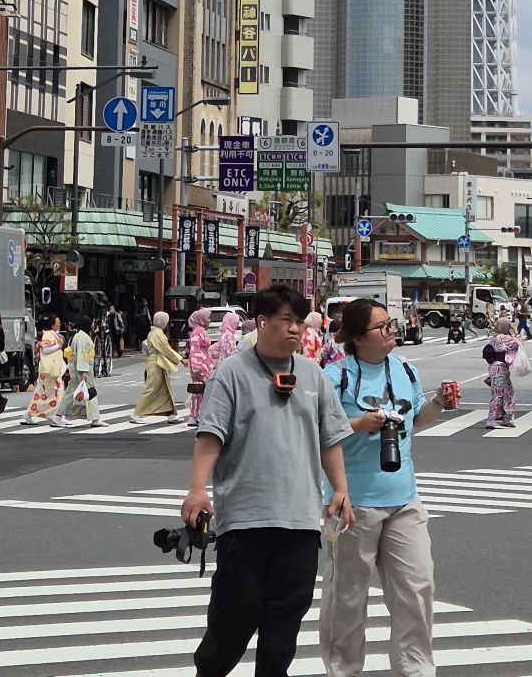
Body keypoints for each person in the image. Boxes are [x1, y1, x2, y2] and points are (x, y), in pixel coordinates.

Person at [180, 285, 354, 677]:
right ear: (261, 322)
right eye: (286, 321)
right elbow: (210, 436)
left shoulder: (313, 374)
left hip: (301, 522)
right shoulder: (232, 373)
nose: (295, 330)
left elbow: (331, 438)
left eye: (299, 322)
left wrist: (340, 489)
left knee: (285, 623)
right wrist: (197, 489)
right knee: (235, 616)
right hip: (245, 519)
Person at [318, 298, 456, 677]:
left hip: (403, 500)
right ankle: (343, 670)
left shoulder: (405, 370)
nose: (392, 330)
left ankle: (415, 671)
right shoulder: (335, 376)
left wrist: (438, 404)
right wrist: (361, 424)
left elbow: (415, 421)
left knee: (417, 589)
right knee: (347, 598)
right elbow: (319, 434)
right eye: (383, 327)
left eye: (391, 323)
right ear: (359, 338)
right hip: (352, 504)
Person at [130, 310, 182, 424]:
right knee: (151, 388)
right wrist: (180, 359)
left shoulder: (154, 332)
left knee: (165, 389)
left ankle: (171, 413)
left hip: (157, 362)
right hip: (156, 363)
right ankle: (136, 413)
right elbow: (165, 349)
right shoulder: (157, 333)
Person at [20, 316, 66, 425]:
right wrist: (58, 345)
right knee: (57, 392)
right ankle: (56, 416)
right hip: (50, 370)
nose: (60, 324)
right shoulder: (49, 334)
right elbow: (45, 349)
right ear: (53, 324)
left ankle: (30, 414)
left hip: (50, 369)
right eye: (58, 322)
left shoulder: (52, 334)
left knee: (42, 393)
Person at [56, 319, 101, 427]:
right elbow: (81, 355)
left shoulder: (79, 336)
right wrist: (83, 371)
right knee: (91, 392)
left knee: (71, 393)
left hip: (77, 367)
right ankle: (95, 418)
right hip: (82, 369)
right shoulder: (82, 337)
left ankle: (58, 416)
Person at [482, 314, 520, 429]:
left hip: (496, 368)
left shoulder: (494, 336)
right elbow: (517, 343)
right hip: (500, 368)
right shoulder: (502, 338)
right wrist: (516, 330)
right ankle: (491, 419)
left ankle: (506, 418)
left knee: (508, 392)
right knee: (499, 394)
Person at [185, 308, 214, 429]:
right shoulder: (197, 332)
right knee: (202, 391)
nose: (210, 320)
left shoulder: (199, 331)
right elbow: (195, 350)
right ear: (201, 320)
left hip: (203, 363)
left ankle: (195, 415)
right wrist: (196, 369)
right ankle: (197, 415)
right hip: (201, 365)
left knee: (200, 392)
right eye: (208, 318)